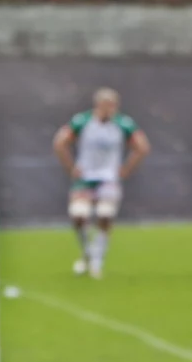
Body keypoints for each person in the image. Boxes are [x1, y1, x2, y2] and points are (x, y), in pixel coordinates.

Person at [53, 87, 150, 279]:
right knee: (78, 215)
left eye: (112, 106)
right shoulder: (83, 121)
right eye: (106, 106)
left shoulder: (123, 124)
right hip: (85, 176)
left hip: (108, 177)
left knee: (105, 215)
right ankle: (88, 252)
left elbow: (142, 147)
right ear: (98, 105)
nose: (109, 110)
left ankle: (97, 261)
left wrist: (126, 169)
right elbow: (60, 142)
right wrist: (71, 167)